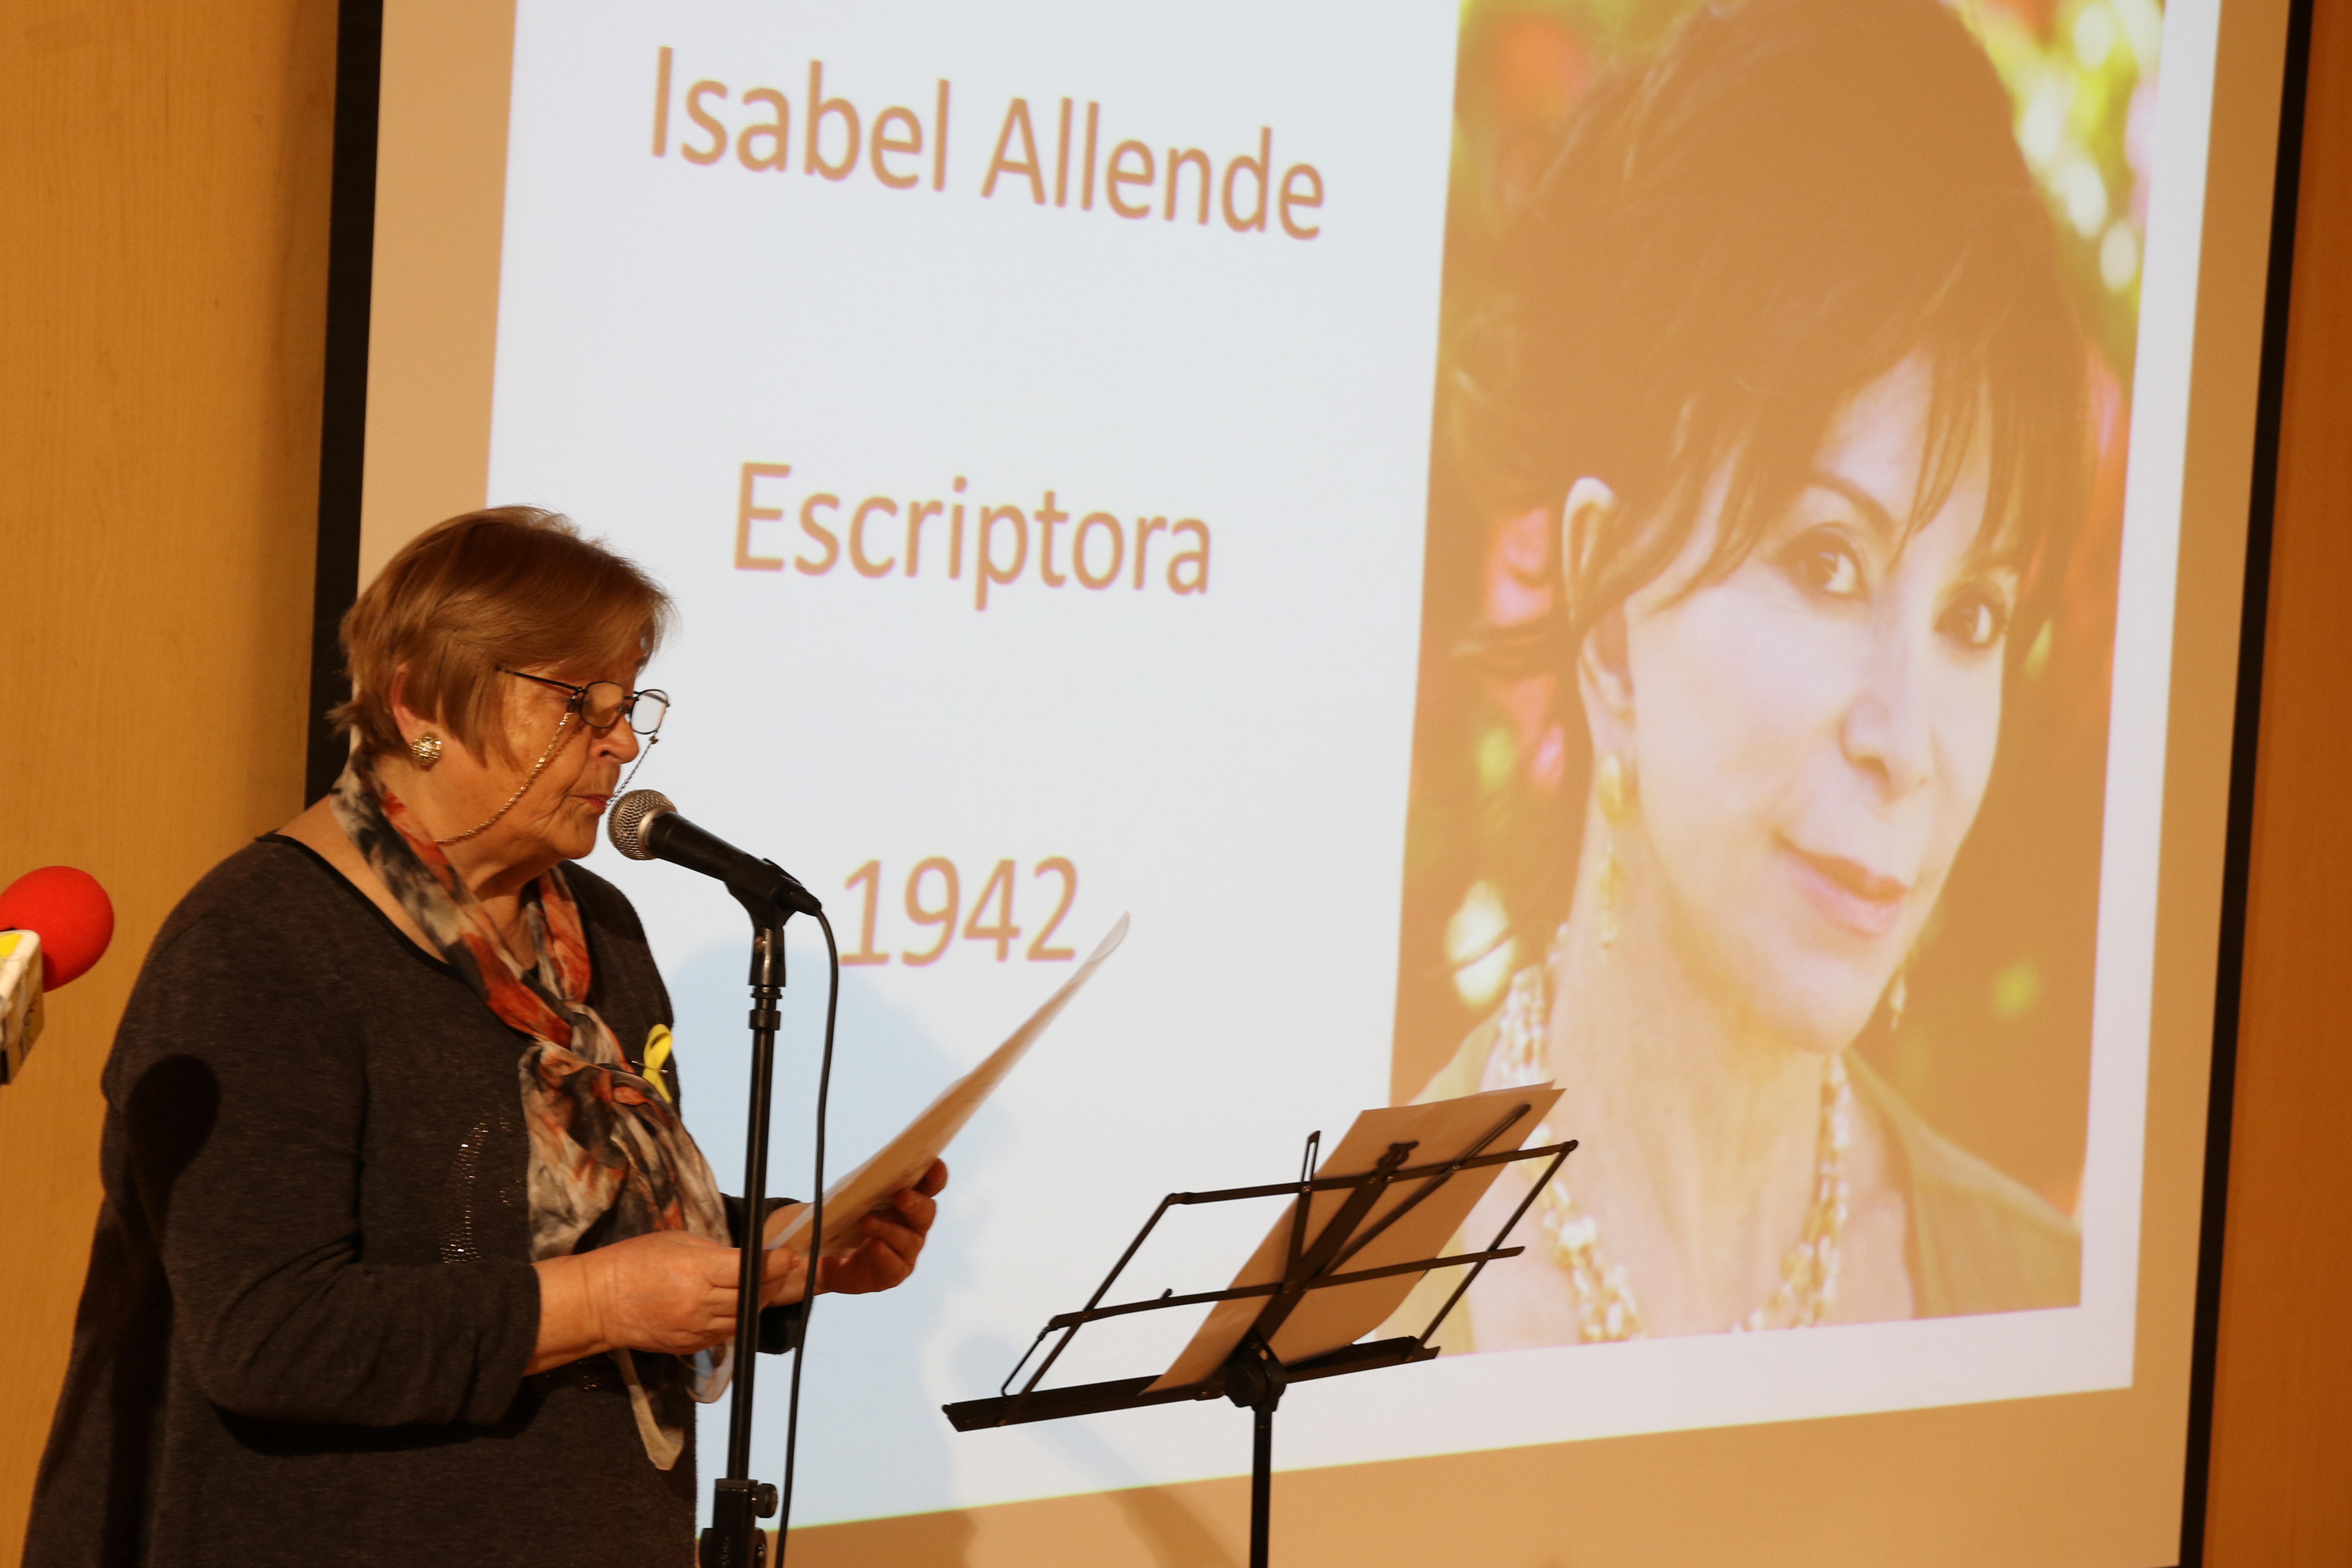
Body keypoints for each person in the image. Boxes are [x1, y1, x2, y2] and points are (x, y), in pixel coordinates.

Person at [26, 508, 946, 1565]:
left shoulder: (598, 927)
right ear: (418, 700)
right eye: (577, 702)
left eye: (628, 705)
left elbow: (558, 1224)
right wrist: (604, 1303)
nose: (620, 742)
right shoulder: (260, 945)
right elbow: (273, 1335)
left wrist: (788, 1251)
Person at [1404, 0, 2087, 1348]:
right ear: (1608, 622)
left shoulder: (2038, 1305)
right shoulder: (1328, 1328)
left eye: (1973, 615)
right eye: (1827, 563)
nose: (1907, 741)